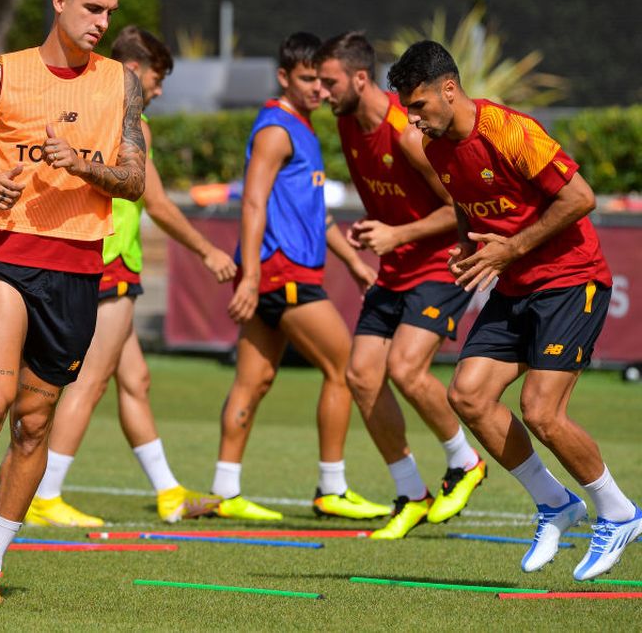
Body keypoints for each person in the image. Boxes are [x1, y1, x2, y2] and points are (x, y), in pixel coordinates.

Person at [388, 40, 640, 580]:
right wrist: (465, 244)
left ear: (449, 90)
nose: (412, 120)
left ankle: (618, 513)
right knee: (468, 395)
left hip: (573, 280)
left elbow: (581, 198)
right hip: (515, 281)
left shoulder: (511, 131)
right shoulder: (435, 148)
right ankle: (556, 503)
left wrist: (511, 248)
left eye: (419, 107)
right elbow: (462, 200)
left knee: (542, 412)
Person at [0, 0, 146, 605]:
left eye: (110, 13)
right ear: (59, 3)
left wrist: (84, 165)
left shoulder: (121, 84)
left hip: (78, 267)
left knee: (34, 421)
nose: (102, 24)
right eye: (92, 9)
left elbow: (135, 179)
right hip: (3, 251)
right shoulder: (2, 75)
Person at [24, 25, 234, 528]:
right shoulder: (128, 118)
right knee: (88, 383)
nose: (159, 91)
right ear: (135, 71)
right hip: (109, 261)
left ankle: (168, 493)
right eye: (158, 79)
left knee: (135, 380)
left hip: (92, 256)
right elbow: (155, 201)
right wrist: (208, 251)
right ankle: (44, 493)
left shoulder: (82, 105)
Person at [211, 32, 391, 522]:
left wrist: (353, 262)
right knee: (345, 367)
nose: (317, 88)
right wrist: (248, 278)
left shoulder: (304, 128)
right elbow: (252, 203)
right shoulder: (276, 129)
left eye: (321, 79)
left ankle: (224, 490)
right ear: (284, 78)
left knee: (255, 379)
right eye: (307, 79)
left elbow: (315, 216)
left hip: (278, 273)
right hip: (280, 273)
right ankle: (331, 487)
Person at [315, 32, 485, 540]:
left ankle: (465, 462)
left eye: (329, 82)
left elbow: (458, 207)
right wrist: (379, 231)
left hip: (440, 261)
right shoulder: (347, 123)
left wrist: (397, 233)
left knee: (406, 368)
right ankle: (411, 493)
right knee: (362, 375)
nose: (322, 92)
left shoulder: (407, 133)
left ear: (359, 78)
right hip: (395, 267)